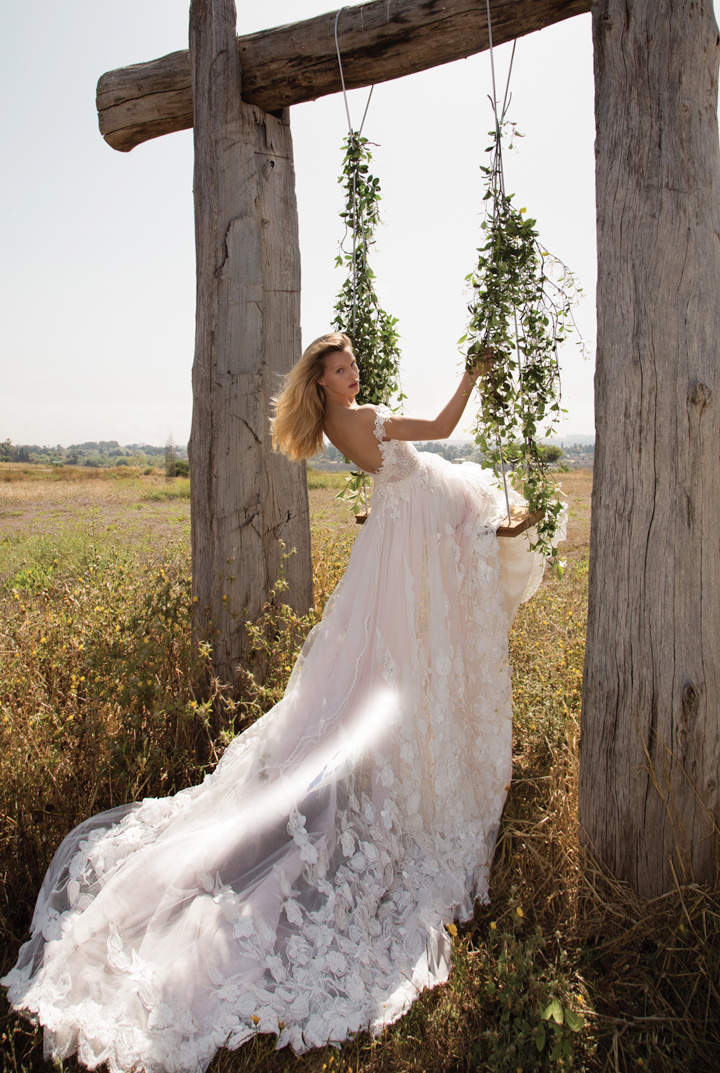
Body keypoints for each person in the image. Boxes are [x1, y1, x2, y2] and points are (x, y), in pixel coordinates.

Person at [2, 333, 558, 1073]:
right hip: (418, 532)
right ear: (321, 383)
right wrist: (472, 373)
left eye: (353, 363)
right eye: (340, 367)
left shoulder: (340, 422)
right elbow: (446, 428)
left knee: (388, 669)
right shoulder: (363, 421)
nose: (353, 372)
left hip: (403, 537)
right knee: (412, 657)